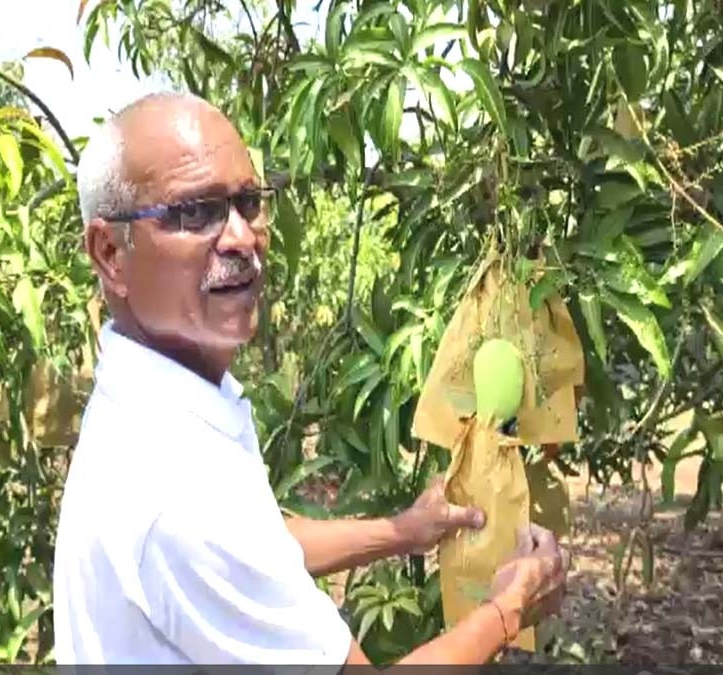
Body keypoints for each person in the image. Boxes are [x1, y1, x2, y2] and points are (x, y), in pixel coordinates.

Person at [51, 91, 570, 667]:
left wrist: (403, 531)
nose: (241, 238)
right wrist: (509, 608)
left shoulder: (155, 406)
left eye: (248, 203)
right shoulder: (178, 493)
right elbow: (213, 535)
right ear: (110, 254)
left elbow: (255, 547)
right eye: (194, 213)